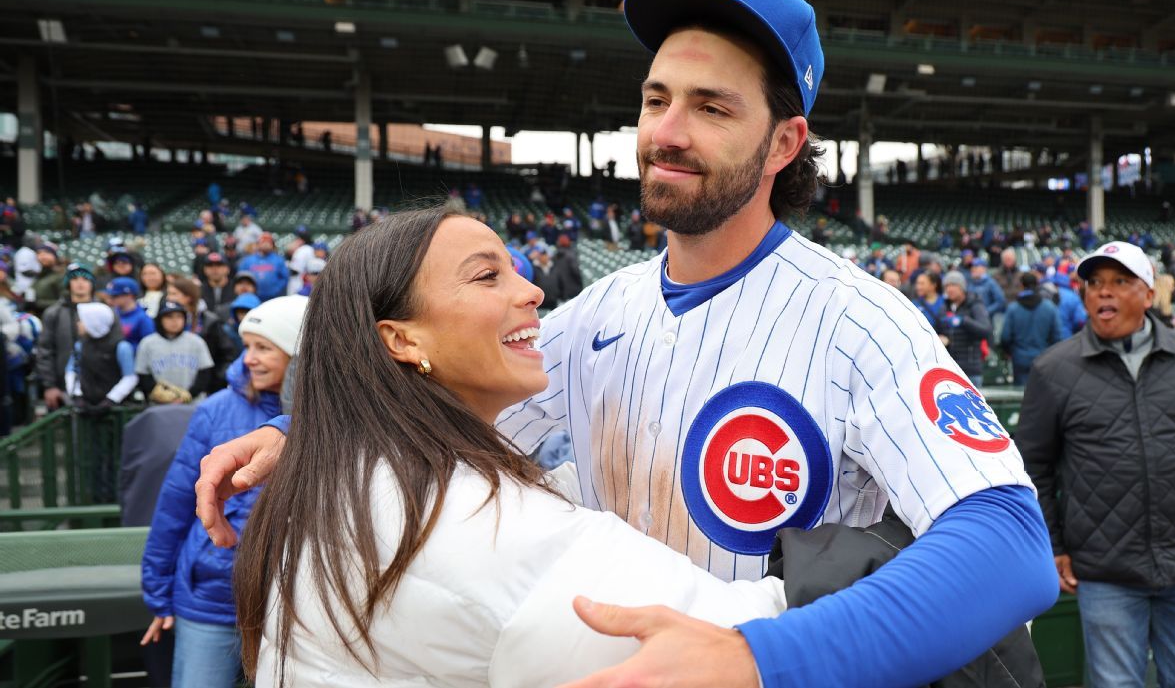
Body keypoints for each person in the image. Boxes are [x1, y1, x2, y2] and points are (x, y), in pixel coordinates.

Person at [198, 0, 1056, 688]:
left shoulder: (859, 318)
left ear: (786, 142)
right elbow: (436, 412)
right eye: (656, 99)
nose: (667, 133)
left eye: (712, 108)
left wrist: (761, 658)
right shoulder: (591, 318)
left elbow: (1009, 543)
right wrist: (301, 431)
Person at [232, 209, 788, 687]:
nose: (531, 291)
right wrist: (832, 561)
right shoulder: (478, 520)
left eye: (514, 271)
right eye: (486, 276)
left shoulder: (342, 475)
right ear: (401, 339)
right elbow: (736, 638)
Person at [1016, 241, 1175, 688]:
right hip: (1106, 570)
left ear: (1149, 294)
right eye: (1095, 283)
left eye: (1120, 282)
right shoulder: (1054, 370)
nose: (1103, 293)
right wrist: (1052, 545)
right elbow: (1032, 468)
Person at [140, 296, 308, 687]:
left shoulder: (335, 420)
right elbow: (175, 506)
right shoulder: (215, 410)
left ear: (300, 355)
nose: (249, 358)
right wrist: (159, 593)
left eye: (264, 347)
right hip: (212, 598)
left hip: (295, 606)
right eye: (247, 346)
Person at [64, 301, 137, 502]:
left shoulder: (121, 346)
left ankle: (116, 500)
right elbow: (72, 370)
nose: (78, 324)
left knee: (115, 458)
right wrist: (77, 395)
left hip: (114, 414)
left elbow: (130, 377)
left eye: (82, 320)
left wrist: (110, 400)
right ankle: (93, 498)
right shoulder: (80, 346)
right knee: (90, 458)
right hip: (88, 412)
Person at [35, 266, 97, 411]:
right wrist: (50, 386)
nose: (80, 283)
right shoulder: (53, 313)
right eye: (75, 279)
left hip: (98, 388)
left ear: (92, 284)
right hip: (62, 388)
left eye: (85, 279)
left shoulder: (103, 310)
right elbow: (45, 351)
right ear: (68, 284)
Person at [135, 300, 215, 405]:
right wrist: (157, 393)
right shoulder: (147, 343)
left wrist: (189, 394)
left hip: (194, 404)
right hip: (160, 405)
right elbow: (143, 374)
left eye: (179, 316)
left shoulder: (196, 342)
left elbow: (205, 373)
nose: (175, 321)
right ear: (160, 320)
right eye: (169, 317)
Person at [999, 272, 1064, 387]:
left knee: (1021, 398)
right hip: (1044, 359)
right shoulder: (1049, 307)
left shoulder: (1013, 308)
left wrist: (1011, 352)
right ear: (1037, 285)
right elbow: (1058, 336)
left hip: (1020, 359)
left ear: (1022, 285)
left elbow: (1005, 337)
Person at [938, 271, 991, 387]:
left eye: (953, 285)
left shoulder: (975, 305)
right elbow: (938, 331)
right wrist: (941, 339)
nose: (950, 289)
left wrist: (964, 321)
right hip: (951, 369)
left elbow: (986, 330)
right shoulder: (944, 308)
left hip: (971, 370)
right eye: (947, 286)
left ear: (962, 287)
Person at [107, 277, 155, 351]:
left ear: (129, 295)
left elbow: (149, 347)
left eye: (115, 296)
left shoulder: (143, 318)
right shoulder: (111, 313)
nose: (111, 299)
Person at [238, 233, 289, 299]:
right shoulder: (248, 260)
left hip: (273, 298)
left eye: (268, 242)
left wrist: (276, 290)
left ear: (272, 245)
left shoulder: (279, 260)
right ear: (258, 244)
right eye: (263, 241)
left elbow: (285, 278)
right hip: (252, 297)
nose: (266, 244)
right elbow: (241, 276)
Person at [31, 243, 66, 316]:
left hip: (57, 318)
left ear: (54, 256)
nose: (42, 256)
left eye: (46, 252)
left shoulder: (61, 275)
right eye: (39, 253)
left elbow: (65, 302)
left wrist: (37, 304)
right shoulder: (39, 277)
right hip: (41, 317)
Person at [200, 253, 237, 317]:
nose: (214, 269)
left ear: (228, 269)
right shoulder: (198, 290)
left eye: (219, 265)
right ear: (204, 270)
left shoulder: (236, 288)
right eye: (210, 265)